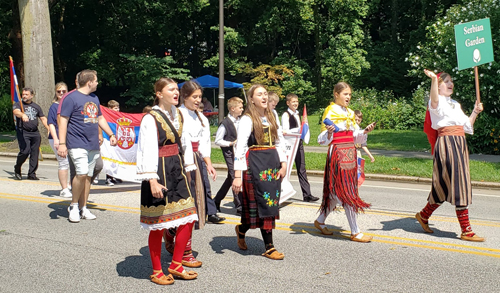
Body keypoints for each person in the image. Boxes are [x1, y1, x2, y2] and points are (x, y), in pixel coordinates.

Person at [136, 77, 199, 285]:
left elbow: (186, 142)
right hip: (159, 170)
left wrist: (189, 167)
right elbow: (147, 149)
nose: (176, 93)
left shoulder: (178, 114)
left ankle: (176, 264)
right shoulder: (150, 118)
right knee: (158, 224)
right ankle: (156, 270)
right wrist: (152, 179)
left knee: (189, 217)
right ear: (159, 93)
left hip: (177, 168)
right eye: (171, 89)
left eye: (177, 90)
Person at [416, 70, 485, 242]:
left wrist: (475, 112)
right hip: (447, 143)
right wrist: (433, 79)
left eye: (451, 81)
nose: (450, 83)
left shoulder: (455, 103)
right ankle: (466, 230)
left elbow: (467, 126)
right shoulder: (436, 103)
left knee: (444, 185)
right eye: (445, 81)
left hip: (460, 143)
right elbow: (433, 98)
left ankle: (423, 216)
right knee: (458, 183)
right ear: (438, 87)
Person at [164, 80, 225, 269]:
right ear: (185, 97)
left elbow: (205, 143)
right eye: (194, 97)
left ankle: (177, 238)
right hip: (182, 161)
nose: (198, 101)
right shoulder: (178, 114)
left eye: (200, 97)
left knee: (197, 204)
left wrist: (209, 164)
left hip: (196, 160)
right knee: (185, 203)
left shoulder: (202, 118)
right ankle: (183, 248)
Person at [314, 82, 375, 243]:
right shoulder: (330, 111)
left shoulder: (349, 112)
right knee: (346, 191)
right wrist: (328, 133)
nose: (348, 97)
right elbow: (322, 140)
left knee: (338, 191)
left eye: (349, 94)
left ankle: (320, 220)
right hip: (338, 154)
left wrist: (364, 132)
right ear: (336, 94)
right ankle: (355, 231)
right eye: (345, 94)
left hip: (350, 153)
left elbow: (355, 136)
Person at [232, 84, 287, 260]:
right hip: (254, 164)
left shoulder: (272, 116)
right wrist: (237, 176)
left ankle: (242, 229)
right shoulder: (247, 119)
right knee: (257, 206)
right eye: (259, 94)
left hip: (271, 164)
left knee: (269, 203)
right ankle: (269, 246)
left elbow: (279, 141)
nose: (264, 97)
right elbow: (240, 148)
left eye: (265, 93)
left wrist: (284, 162)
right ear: (252, 99)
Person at [58, 69, 117, 223]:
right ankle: (73, 206)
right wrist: (62, 143)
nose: (97, 83)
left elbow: (99, 118)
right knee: (81, 173)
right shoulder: (70, 98)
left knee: (88, 177)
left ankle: (83, 208)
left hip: (92, 144)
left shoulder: (94, 98)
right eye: (96, 80)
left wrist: (110, 134)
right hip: (76, 142)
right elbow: (63, 120)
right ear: (89, 82)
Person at [281, 93, 319, 202]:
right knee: (285, 169)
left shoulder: (298, 114)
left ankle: (307, 194)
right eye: (293, 102)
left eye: (297, 102)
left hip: (298, 144)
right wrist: (297, 130)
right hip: (289, 145)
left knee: (302, 169)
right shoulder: (286, 115)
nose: (295, 104)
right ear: (288, 103)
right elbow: (285, 131)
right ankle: (280, 192)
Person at [214, 97, 244, 215]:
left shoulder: (241, 121)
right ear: (232, 109)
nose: (242, 109)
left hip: (239, 153)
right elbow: (218, 140)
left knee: (230, 178)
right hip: (230, 153)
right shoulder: (225, 123)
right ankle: (239, 205)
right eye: (240, 107)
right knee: (234, 176)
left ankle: (216, 200)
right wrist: (230, 143)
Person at [13, 87, 49, 180]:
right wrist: (22, 114)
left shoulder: (36, 106)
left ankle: (31, 173)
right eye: (23, 94)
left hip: (35, 133)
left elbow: (43, 118)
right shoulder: (19, 105)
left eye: (26, 94)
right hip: (23, 132)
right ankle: (17, 168)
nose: (24, 96)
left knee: (34, 153)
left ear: (32, 96)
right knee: (25, 151)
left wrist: (49, 128)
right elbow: (16, 112)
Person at [47, 82, 72, 197]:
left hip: (69, 138)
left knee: (74, 163)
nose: (61, 93)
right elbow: (51, 124)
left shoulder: (70, 105)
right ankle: (64, 189)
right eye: (59, 91)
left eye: (63, 91)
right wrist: (56, 139)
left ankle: (71, 185)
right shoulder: (54, 106)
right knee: (63, 162)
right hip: (56, 138)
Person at [104, 100, 122, 186]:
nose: (117, 109)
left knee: (116, 159)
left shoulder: (118, 117)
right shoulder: (106, 117)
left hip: (117, 139)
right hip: (108, 139)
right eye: (115, 108)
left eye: (118, 108)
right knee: (109, 159)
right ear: (110, 108)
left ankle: (114, 176)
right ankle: (108, 177)